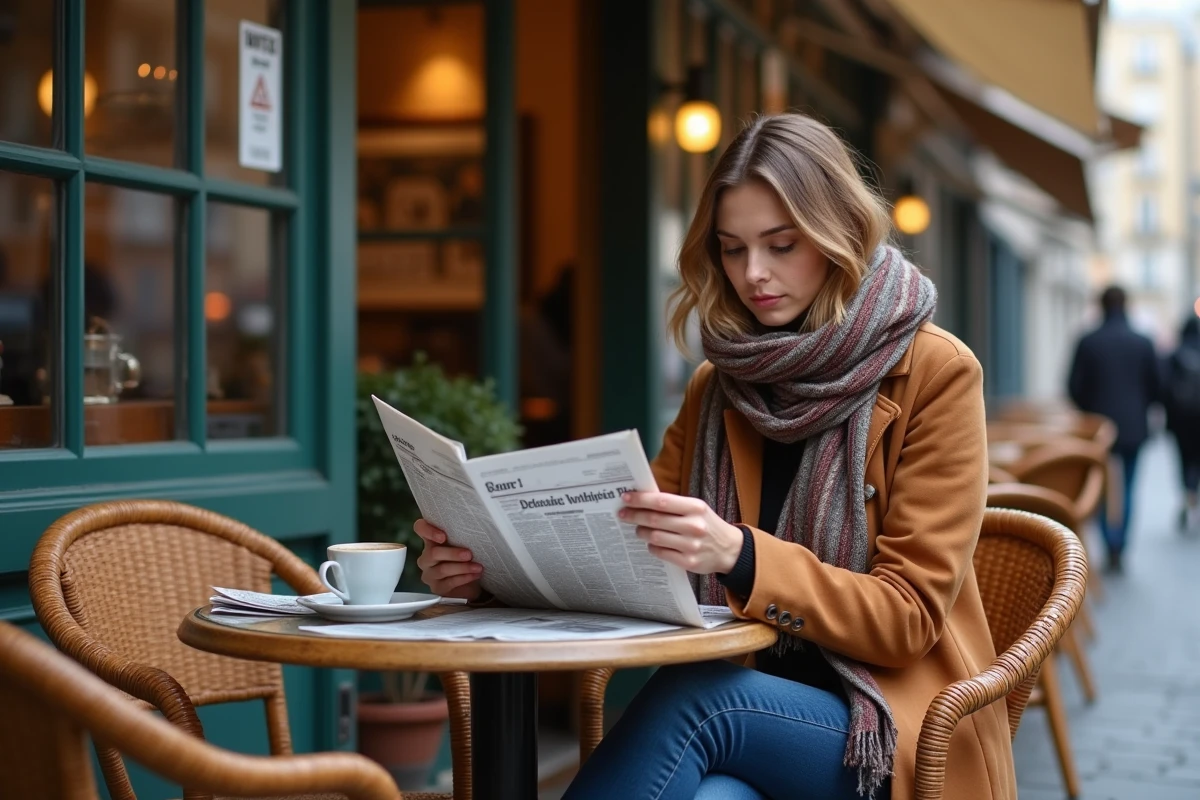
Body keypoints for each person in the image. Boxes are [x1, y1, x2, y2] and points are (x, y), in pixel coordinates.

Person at [413, 114, 1013, 799]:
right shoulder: (719, 385)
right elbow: (625, 549)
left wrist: (739, 554)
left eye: (781, 245)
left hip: (889, 724)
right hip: (757, 722)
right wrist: (487, 568)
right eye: (732, 249)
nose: (754, 274)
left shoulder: (936, 372)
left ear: (839, 233)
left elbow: (906, 619)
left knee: (701, 699)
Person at [1067, 286, 1161, 571]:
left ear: (1101, 305)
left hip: (1097, 429)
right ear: (1126, 305)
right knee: (1129, 486)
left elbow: (1073, 386)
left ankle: (1110, 540)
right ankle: (1120, 544)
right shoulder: (1142, 342)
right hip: (1134, 426)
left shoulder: (1088, 340)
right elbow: (1157, 386)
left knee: (1103, 486)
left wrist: (1089, 410)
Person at [1165, 317, 1200, 532]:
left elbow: (1164, 387)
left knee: (1184, 458)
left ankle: (1188, 493)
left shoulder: (1175, 355)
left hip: (1181, 420)